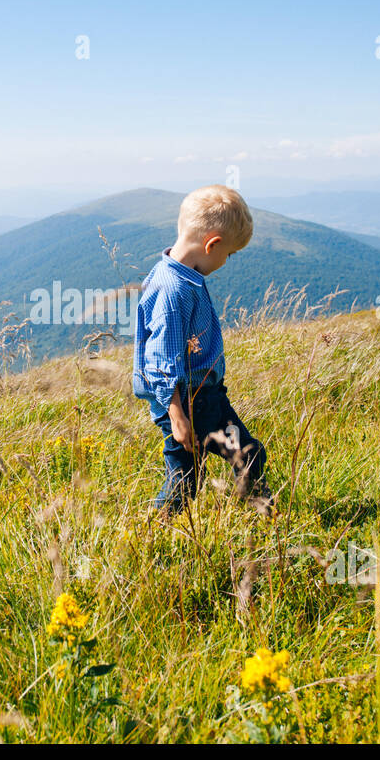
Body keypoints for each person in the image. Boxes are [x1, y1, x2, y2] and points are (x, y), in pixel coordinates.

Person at [132, 185, 272, 515]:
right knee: (217, 466)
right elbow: (162, 359)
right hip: (191, 401)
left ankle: (255, 515)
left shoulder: (178, 274)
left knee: (193, 474)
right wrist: (177, 416)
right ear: (212, 244)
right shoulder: (173, 291)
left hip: (202, 396)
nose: (227, 261)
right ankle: (262, 517)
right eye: (229, 254)